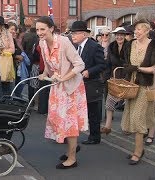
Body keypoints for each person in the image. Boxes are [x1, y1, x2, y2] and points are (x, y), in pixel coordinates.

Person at [36, 16, 88, 169]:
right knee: (59, 121)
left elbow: (80, 65)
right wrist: (44, 73)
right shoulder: (42, 43)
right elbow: (48, 64)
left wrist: (63, 78)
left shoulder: (64, 42)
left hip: (71, 87)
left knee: (69, 123)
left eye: (42, 29)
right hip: (57, 86)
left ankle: (72, 158)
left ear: (51, 28)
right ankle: (71, 150)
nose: (39, 32)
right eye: (38, 29)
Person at [121, 18, 155, 165]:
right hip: (131, 86)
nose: (136, 31)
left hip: (145, 87)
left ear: (147, 30)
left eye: (139, 29)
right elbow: (125, 63)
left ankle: (138, 152)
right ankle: (138, 148)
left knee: (138, 119)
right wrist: (128, 70)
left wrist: (138, 69)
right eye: (135, 29)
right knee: (132, 118)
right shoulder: (130, 44)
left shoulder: (154, 45)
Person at [71, 21, 106, 145]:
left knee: (93, 111)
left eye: (75, 33)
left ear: (85, 34)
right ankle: (70, 135)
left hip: (92, 83)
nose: (72, 36)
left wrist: (89, 71)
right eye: (72, 33)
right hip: (77, 83)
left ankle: (95, 137)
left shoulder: (94, 46)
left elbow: (102, 65)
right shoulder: (74, 46)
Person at [101, 27, 129, 134]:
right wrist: (106, 78)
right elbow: (108, 63)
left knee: (127, 103)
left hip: (126, 77)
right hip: (113, 77)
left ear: (125, 35)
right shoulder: (111, 46)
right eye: (117, 35)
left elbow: (129, 63)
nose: (119, 37)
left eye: (121, 34)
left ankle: (125, 127)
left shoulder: (129, 46)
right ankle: (108, 126)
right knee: (109, 101)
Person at [0, 16, 15, 96]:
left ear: (1, 25)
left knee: (5, 85)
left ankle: (6, 103)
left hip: (5, 63)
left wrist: (3, 52)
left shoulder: (8, 34)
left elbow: (12, 49)